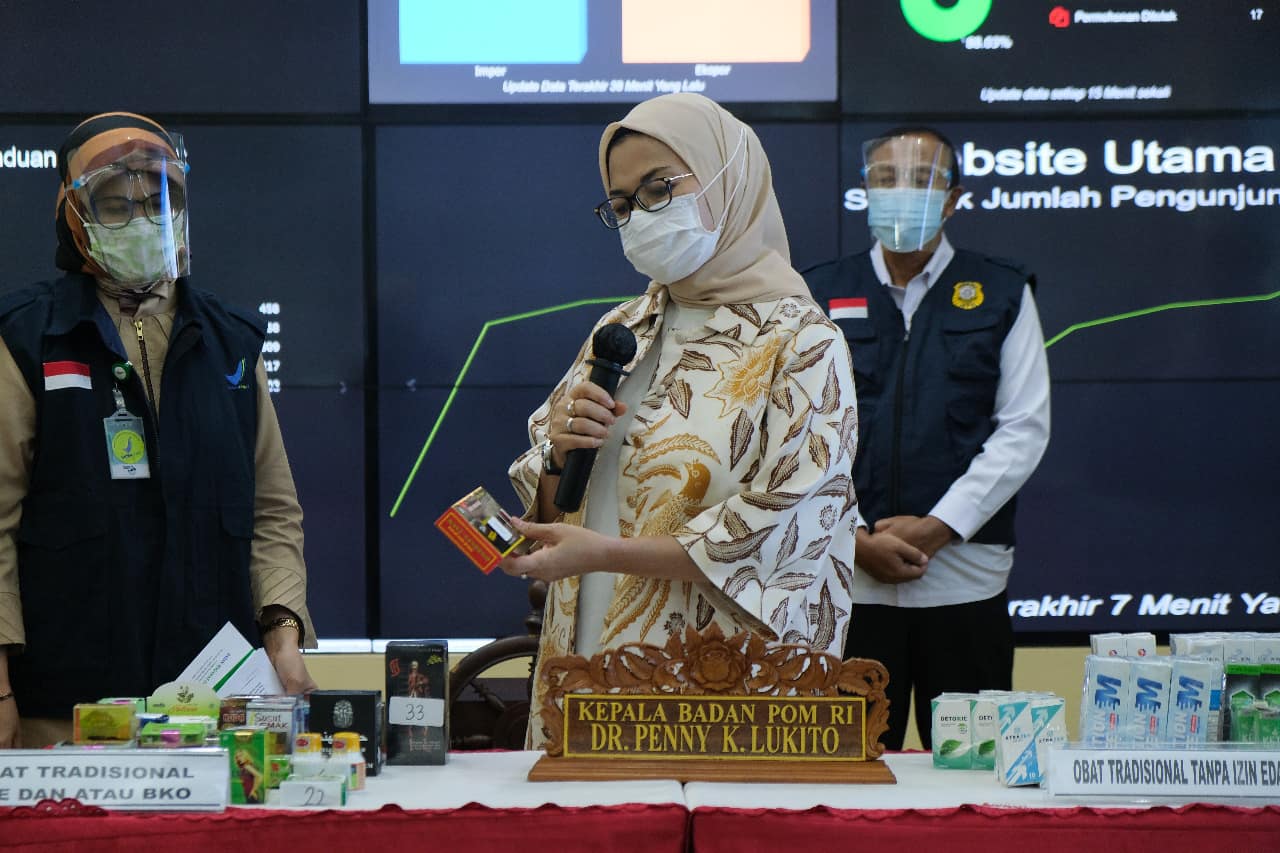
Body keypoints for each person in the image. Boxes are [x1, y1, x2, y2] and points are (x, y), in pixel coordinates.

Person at [500, 93, 859, 749]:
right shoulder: (621, 328)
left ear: (730, 179)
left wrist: (606, 554)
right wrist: (558, 454)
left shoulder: (801, 341)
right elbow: (556, 511)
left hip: (723, 683)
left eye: (659, 188)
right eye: (622, 204)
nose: (640, 216)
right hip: (583, 664)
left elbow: (785, 533)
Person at [0, 112, 317, 749]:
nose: (144, 221)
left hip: (212, 710)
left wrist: (283, 636)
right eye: (117, 206)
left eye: (158, 202)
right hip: (63, 710)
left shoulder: (232, 342)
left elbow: (273, 512)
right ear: (75, 218)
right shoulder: (27, 338)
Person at [803, 127, 1051, 749]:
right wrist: (853, 538)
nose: (903, 191)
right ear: (865, 192)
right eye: (887, 179)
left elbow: (1023, 428)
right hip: (847, 582)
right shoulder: (816, 292)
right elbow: (797, 436)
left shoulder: (1002, 291)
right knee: (846, 772)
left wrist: (940, 527)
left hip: (966, 579)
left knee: (971, 769)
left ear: (953, 199)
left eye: (922, 179)